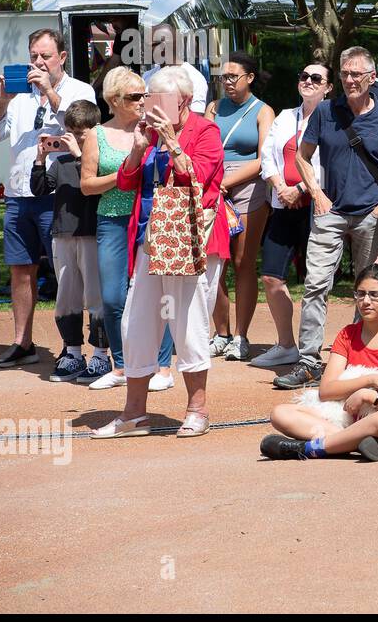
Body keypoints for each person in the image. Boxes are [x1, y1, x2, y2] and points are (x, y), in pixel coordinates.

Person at [90, 66, 229, 439]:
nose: (149, 104)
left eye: (157, 97)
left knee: (188, 324)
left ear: (182, 100)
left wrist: (172, 141)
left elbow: (197, 177)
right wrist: (137, 149)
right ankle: (134, 414)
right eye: (147, 96)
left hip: (190, 239)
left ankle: (197, 410)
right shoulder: (147, 134)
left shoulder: (205, 131)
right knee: (136, 323)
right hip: (152, 239)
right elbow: (125, 181)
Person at [273, 48, 378, 390]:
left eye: (356, 74)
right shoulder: (326, 111)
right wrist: (316, 193)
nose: (349, 80)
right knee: (315, 284)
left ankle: (360, 358)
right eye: (345, 74)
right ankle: (309, 361)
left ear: (372, 78)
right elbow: (302, 156)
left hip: (370, 214)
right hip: (330, 211)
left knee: (369, 291)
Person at [0, 27, 97, 369]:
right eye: (34, 56)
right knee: (20, 269)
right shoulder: (20, 94)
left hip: (60, 194)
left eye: (45, 56)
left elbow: (84, 127)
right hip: (20, 192)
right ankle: (23, 342)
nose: (38, 62)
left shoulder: (80, 89)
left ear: (62, 57)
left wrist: (52, 93)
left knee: (68, 272)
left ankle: (72, 347)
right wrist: (3, 99)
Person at [259, 265, 378, 462]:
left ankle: (312, 448)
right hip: (346, 419)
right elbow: (326, 390)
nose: (366, 301)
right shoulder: (347, 335)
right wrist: (368, 381)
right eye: (360, 294)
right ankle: (360, 442)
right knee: (280, 413)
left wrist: (370, 397)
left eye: (375, 295)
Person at [80, 67, 176, 392]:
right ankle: (121, 366)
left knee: (157, 293)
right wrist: (124, 175)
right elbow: (87, 185)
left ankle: (162, 366)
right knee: (112, 296)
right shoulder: (97, 134)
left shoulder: (153, 129)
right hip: (112, 217)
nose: (142, 101)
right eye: (136, 96)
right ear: (115, 99)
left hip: (149, 218)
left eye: (144, 95)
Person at [252, 62, 329, 369]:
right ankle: (286, 345)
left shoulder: (333, 119)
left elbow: (327, 163)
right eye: (304, 76)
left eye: (316, 78)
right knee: (271, 276)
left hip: (316, 206)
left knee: (316, 281)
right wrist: (281, 187)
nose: (308, 81)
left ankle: (315, 352)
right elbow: (267, 157)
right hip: (283, 204)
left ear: (328, 87)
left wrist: (301, 189)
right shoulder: (285, 116)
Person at [29, 100, 108, 383]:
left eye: (81, 133)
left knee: (97, 297)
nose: (75, 138)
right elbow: (38, 189)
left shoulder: (101, 158)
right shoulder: (60, 162)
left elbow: (95, 189)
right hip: (62, 235)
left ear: (94, 130)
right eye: (70, 133)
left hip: (90, 233)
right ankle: (73, 352)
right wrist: (39, 159)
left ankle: (101, 355)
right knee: (66, 297)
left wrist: (80, 156)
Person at [205, 51, 274, 362]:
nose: (227, 82)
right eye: (224, 77)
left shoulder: (263, 111)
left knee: (243, 259)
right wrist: (215, 182)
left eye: (233, 76)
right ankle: (221, 333)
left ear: (250, 77)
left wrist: (227, 182)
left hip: (248, 188)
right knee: (215, 262)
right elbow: (203, 147)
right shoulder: (214, 107)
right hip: (213, 188)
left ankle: (241, 336)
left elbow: (263, 160)